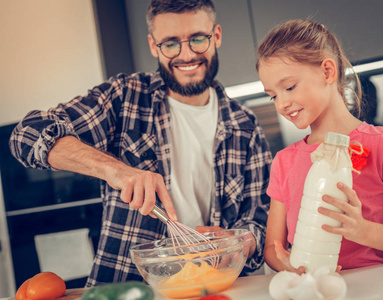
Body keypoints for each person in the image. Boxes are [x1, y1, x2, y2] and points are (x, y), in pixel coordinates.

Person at [9, 0, 272, 286]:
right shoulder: (124, 97)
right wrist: (115, 170)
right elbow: (27, 135)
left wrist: (241, 242)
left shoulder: (245, 124)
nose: (186, 54)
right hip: (129, 288)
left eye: (198, 39)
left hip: (217, 286)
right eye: (170, 44)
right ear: (152, 45)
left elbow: (261, 221)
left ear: (216, 35)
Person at [255, 20, 383, 274]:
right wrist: (288, 264)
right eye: (273, 95)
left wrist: (363, 230)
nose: (281, 103)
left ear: (327, 72)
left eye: (289, 87)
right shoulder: (284, 162)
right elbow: (273, 248)